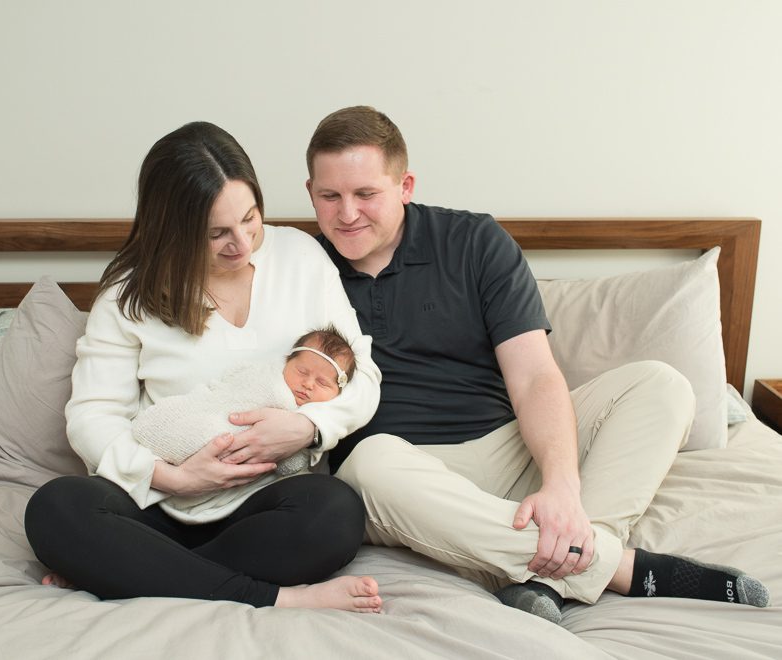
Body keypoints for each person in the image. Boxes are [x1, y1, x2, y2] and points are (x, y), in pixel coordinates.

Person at [303, 105, 769, 623]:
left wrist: (561, 486)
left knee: (662, 384)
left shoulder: (474, 242)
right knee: (367, 462)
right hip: (409, 478)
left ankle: (551, 570)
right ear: (311, 193)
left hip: (512, 447)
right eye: (330, 196)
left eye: (366, 194)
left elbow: (535, 376)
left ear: (405, 185)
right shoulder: (301, 273)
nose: (347, 214)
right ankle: (615, 566)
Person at [24, 121, 383, 614]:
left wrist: (305, 426)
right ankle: (271, 598)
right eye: (216, 233)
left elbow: (362, 375)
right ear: (173, 229)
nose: (241, 243)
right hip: (156, 504)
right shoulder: (128, 294)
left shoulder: (302, 258)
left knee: (335, 513)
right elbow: (92, 415)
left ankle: (133, 569)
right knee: (56, 509)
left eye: (251, 219)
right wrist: (174, 479)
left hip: (262, 504)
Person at [132, 326, 357, 522]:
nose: (307, 384)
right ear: (287, 362)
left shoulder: (317, 414)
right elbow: (230, 387)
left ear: (339, 394)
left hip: (247, 497)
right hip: (204, 421)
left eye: (322, 383)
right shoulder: (265, 378)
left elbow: (289, 462)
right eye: (302, 371)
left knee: (332, 507)